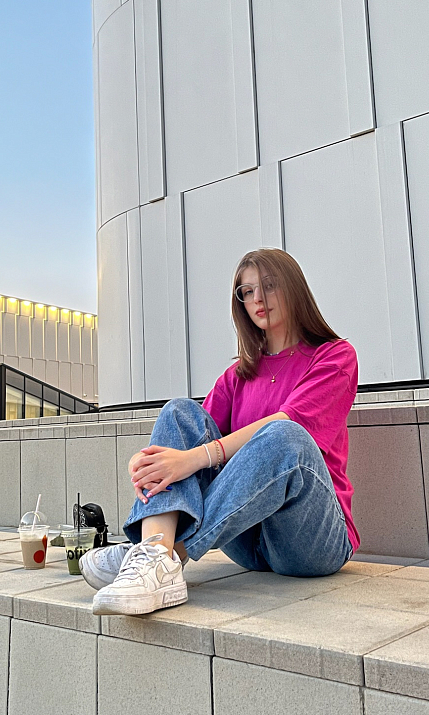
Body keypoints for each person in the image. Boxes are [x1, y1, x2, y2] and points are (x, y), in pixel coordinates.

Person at [80, 248, 359, 616]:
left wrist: (194, 458)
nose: (257, 299)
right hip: (245, 540)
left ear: (294, 288)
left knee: (284, 435)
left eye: (269, 286)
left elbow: (289, 424)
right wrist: (152, 462)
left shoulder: (335, 356)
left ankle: (164, 555)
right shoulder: (237, 375)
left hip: (311, 541)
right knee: (178, 412)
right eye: (247, 291)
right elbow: (186, 440)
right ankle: (154, 551)